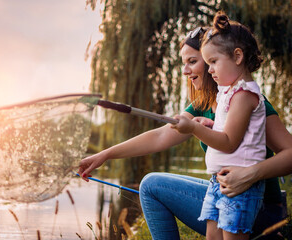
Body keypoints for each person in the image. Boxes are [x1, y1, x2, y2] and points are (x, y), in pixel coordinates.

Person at [78, 22, 292, 240]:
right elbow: (161, 135)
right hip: (225, 190)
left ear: (226, 57)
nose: (185, 71)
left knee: (151, 186)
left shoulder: (248, 100)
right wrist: (105, 154)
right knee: (152, 186)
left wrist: (249, 174)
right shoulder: (206, 104)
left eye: (194, 61)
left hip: (258, 205)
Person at [171, 11, 267, 240]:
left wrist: (195, 129)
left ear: (237, 56)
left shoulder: (244, 94)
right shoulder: (229, 91)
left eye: (213, 62)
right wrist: (210, 124)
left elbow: (229, 142)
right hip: (218, 181)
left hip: (240, 188)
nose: (209, 68)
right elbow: (230, 130)